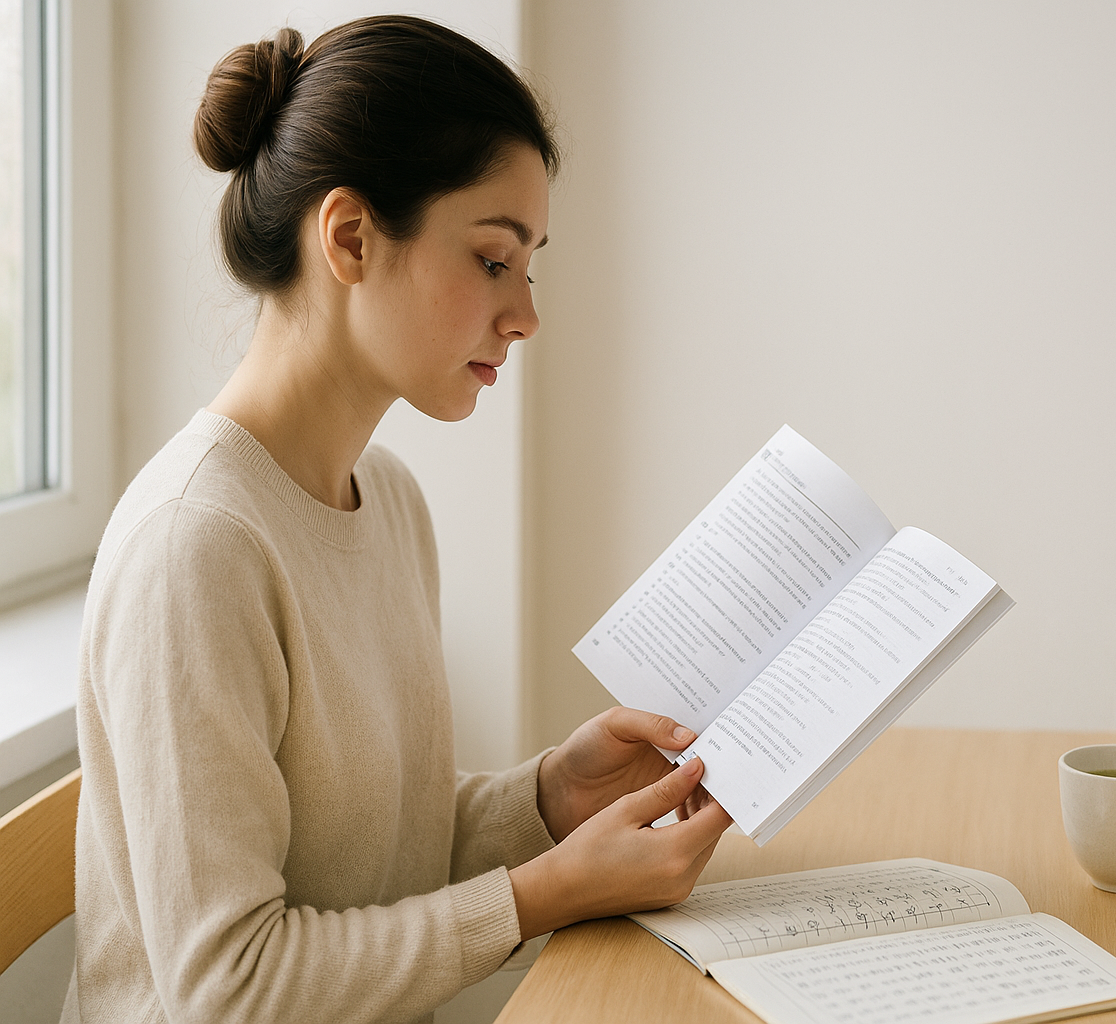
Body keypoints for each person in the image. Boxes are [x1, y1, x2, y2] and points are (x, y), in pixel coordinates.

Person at [64, 16, 732, 1023]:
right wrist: (545, 891)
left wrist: (553, 796)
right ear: (350, 238)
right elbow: (229, 988)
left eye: (529, 266)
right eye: (494, 260)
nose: (527, 315)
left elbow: (378, 858)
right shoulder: (195, 544)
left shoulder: (390, 503)